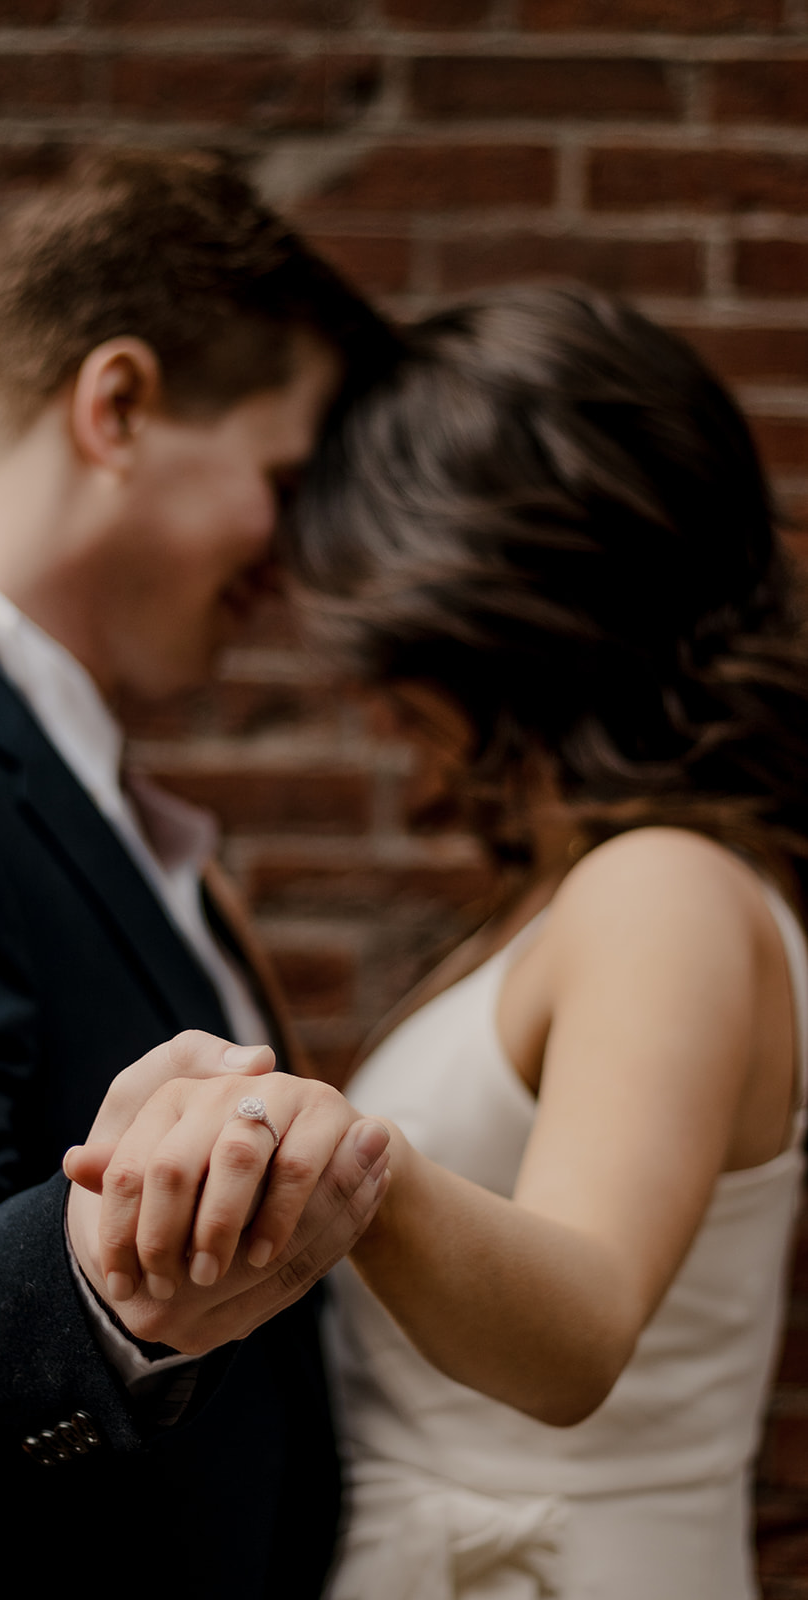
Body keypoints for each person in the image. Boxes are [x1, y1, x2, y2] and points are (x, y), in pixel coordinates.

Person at [73, 284, 808, 1598]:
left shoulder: (664, 890)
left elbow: (578, 1331)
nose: (363, 693)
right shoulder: (570, 893)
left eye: (380, 629)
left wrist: (340, 1150)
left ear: (496, 606)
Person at [0, 147, 398, 1600]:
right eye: (282, 478)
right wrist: (106, 1282)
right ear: (118, 407)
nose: (288, 566)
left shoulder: (40, 762)